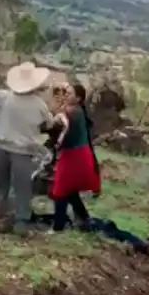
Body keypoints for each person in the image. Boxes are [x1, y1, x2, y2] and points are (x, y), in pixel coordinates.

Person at [0, 62, 55, 236]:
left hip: (1, 148)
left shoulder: (4, 97)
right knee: (22, 188)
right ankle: (21, 224)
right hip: (24, 151)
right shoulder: (39, 105)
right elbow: (49, 124)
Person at [49, 83, 101, 232]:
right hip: (78, 154)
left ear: (78, 98)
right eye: (65, 92)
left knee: (60, 189)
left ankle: (57, 228)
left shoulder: (72, 113)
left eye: (69, 93)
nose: (65, 95)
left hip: (74, 155)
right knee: (70, 190)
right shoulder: (75, 111)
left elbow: (57, 125)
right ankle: (84, 218)